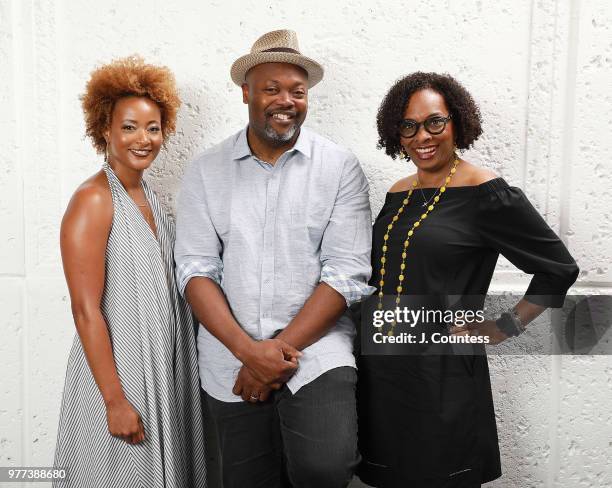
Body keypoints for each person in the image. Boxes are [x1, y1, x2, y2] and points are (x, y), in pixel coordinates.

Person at [356, 72, 579, 488]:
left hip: (442, 375)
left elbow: (558, 268)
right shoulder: (398, 191)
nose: (422, 135)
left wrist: (502, 327)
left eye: (434, 122)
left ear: (456, 121)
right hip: (381, 372)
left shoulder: (486, 194)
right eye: (408, 126)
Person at [174, 29, 374, 488]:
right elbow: (194, 270)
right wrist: (249, 354)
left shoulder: (339, 167)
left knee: (326, 469)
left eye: (297, 91)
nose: (286, 100)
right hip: (231, 357)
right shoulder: (206, 171)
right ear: (246, 92)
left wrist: (274, 356)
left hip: (317, 351)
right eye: (271, 89)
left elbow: (346, 274)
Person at [54, 56, 206, 487]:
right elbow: (86, 310)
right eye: (129, 127)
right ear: (105, 130)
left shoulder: (149, 196)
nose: (144, 139)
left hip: (164, 371)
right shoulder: (94, 199)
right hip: (120, 376)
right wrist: (114, 400)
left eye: (153, 127)